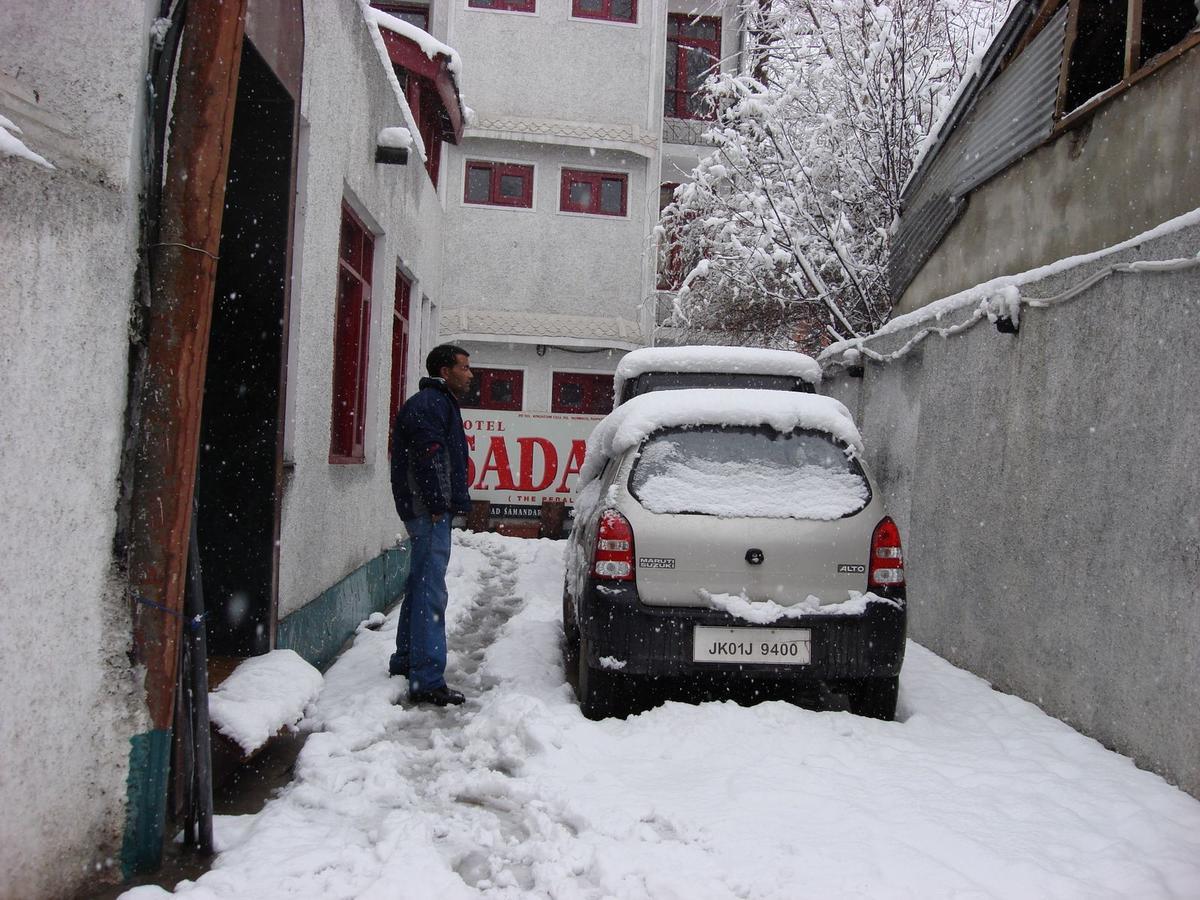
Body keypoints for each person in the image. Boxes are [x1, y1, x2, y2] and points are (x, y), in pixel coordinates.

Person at [388, 344, 473, 705]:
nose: (470, 374)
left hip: (427, 510)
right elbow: (429, 457)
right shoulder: (430, 404)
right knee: (430, 591)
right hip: (429, 512)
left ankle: (407, 660)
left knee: (421, 584)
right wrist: (438, 504)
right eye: (464, 367)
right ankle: (427, 679)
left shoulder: (437, 402)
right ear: (444, 369)